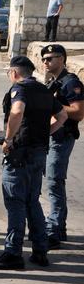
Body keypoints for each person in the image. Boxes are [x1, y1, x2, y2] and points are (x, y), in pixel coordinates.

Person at [0, 55, 67, 270]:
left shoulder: (20, 89)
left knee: (15, 202)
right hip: (38, 152)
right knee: (32, 201)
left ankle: (13, 252)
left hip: (20, 154)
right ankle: (40, 250)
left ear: (15, 73)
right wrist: (47, 132)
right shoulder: (44, 90)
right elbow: (62, 115)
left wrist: (8, 139)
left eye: (10, 72)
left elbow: (17, 111)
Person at [41, 44, 84, 248]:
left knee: (54, 182)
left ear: (62, 59)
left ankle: (55, 229)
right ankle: (59, 228)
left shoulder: (70, 82)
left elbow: (78, 112)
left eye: (50, 58)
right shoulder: (53, 82)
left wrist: (54, 106)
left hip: (62, 137)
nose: (46, 62)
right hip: (51, 136)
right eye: (44, 58)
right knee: (53, 182)